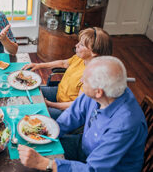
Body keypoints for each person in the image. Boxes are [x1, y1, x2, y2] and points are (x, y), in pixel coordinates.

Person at [18, 56, 148, 172]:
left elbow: (92, 169)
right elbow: (73, 115)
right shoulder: (106, 90)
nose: (81, 80)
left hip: (107, 167)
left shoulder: (124, 125)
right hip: (85, 145)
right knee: (36, 148)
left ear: (98, 92)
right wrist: (47, 133)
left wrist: (44, 163)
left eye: (84, 80)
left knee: (40, 163)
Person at [22, 27, 112, 119]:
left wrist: (51, 104)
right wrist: (38, 65)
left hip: (68, 111)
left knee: (33, 112)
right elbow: (63, 63)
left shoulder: (91, 77)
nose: (76, 45)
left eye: (81, 45)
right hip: (59, 93)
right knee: (29, 90)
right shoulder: (80, 58)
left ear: (94, 52)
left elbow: (77, 105)